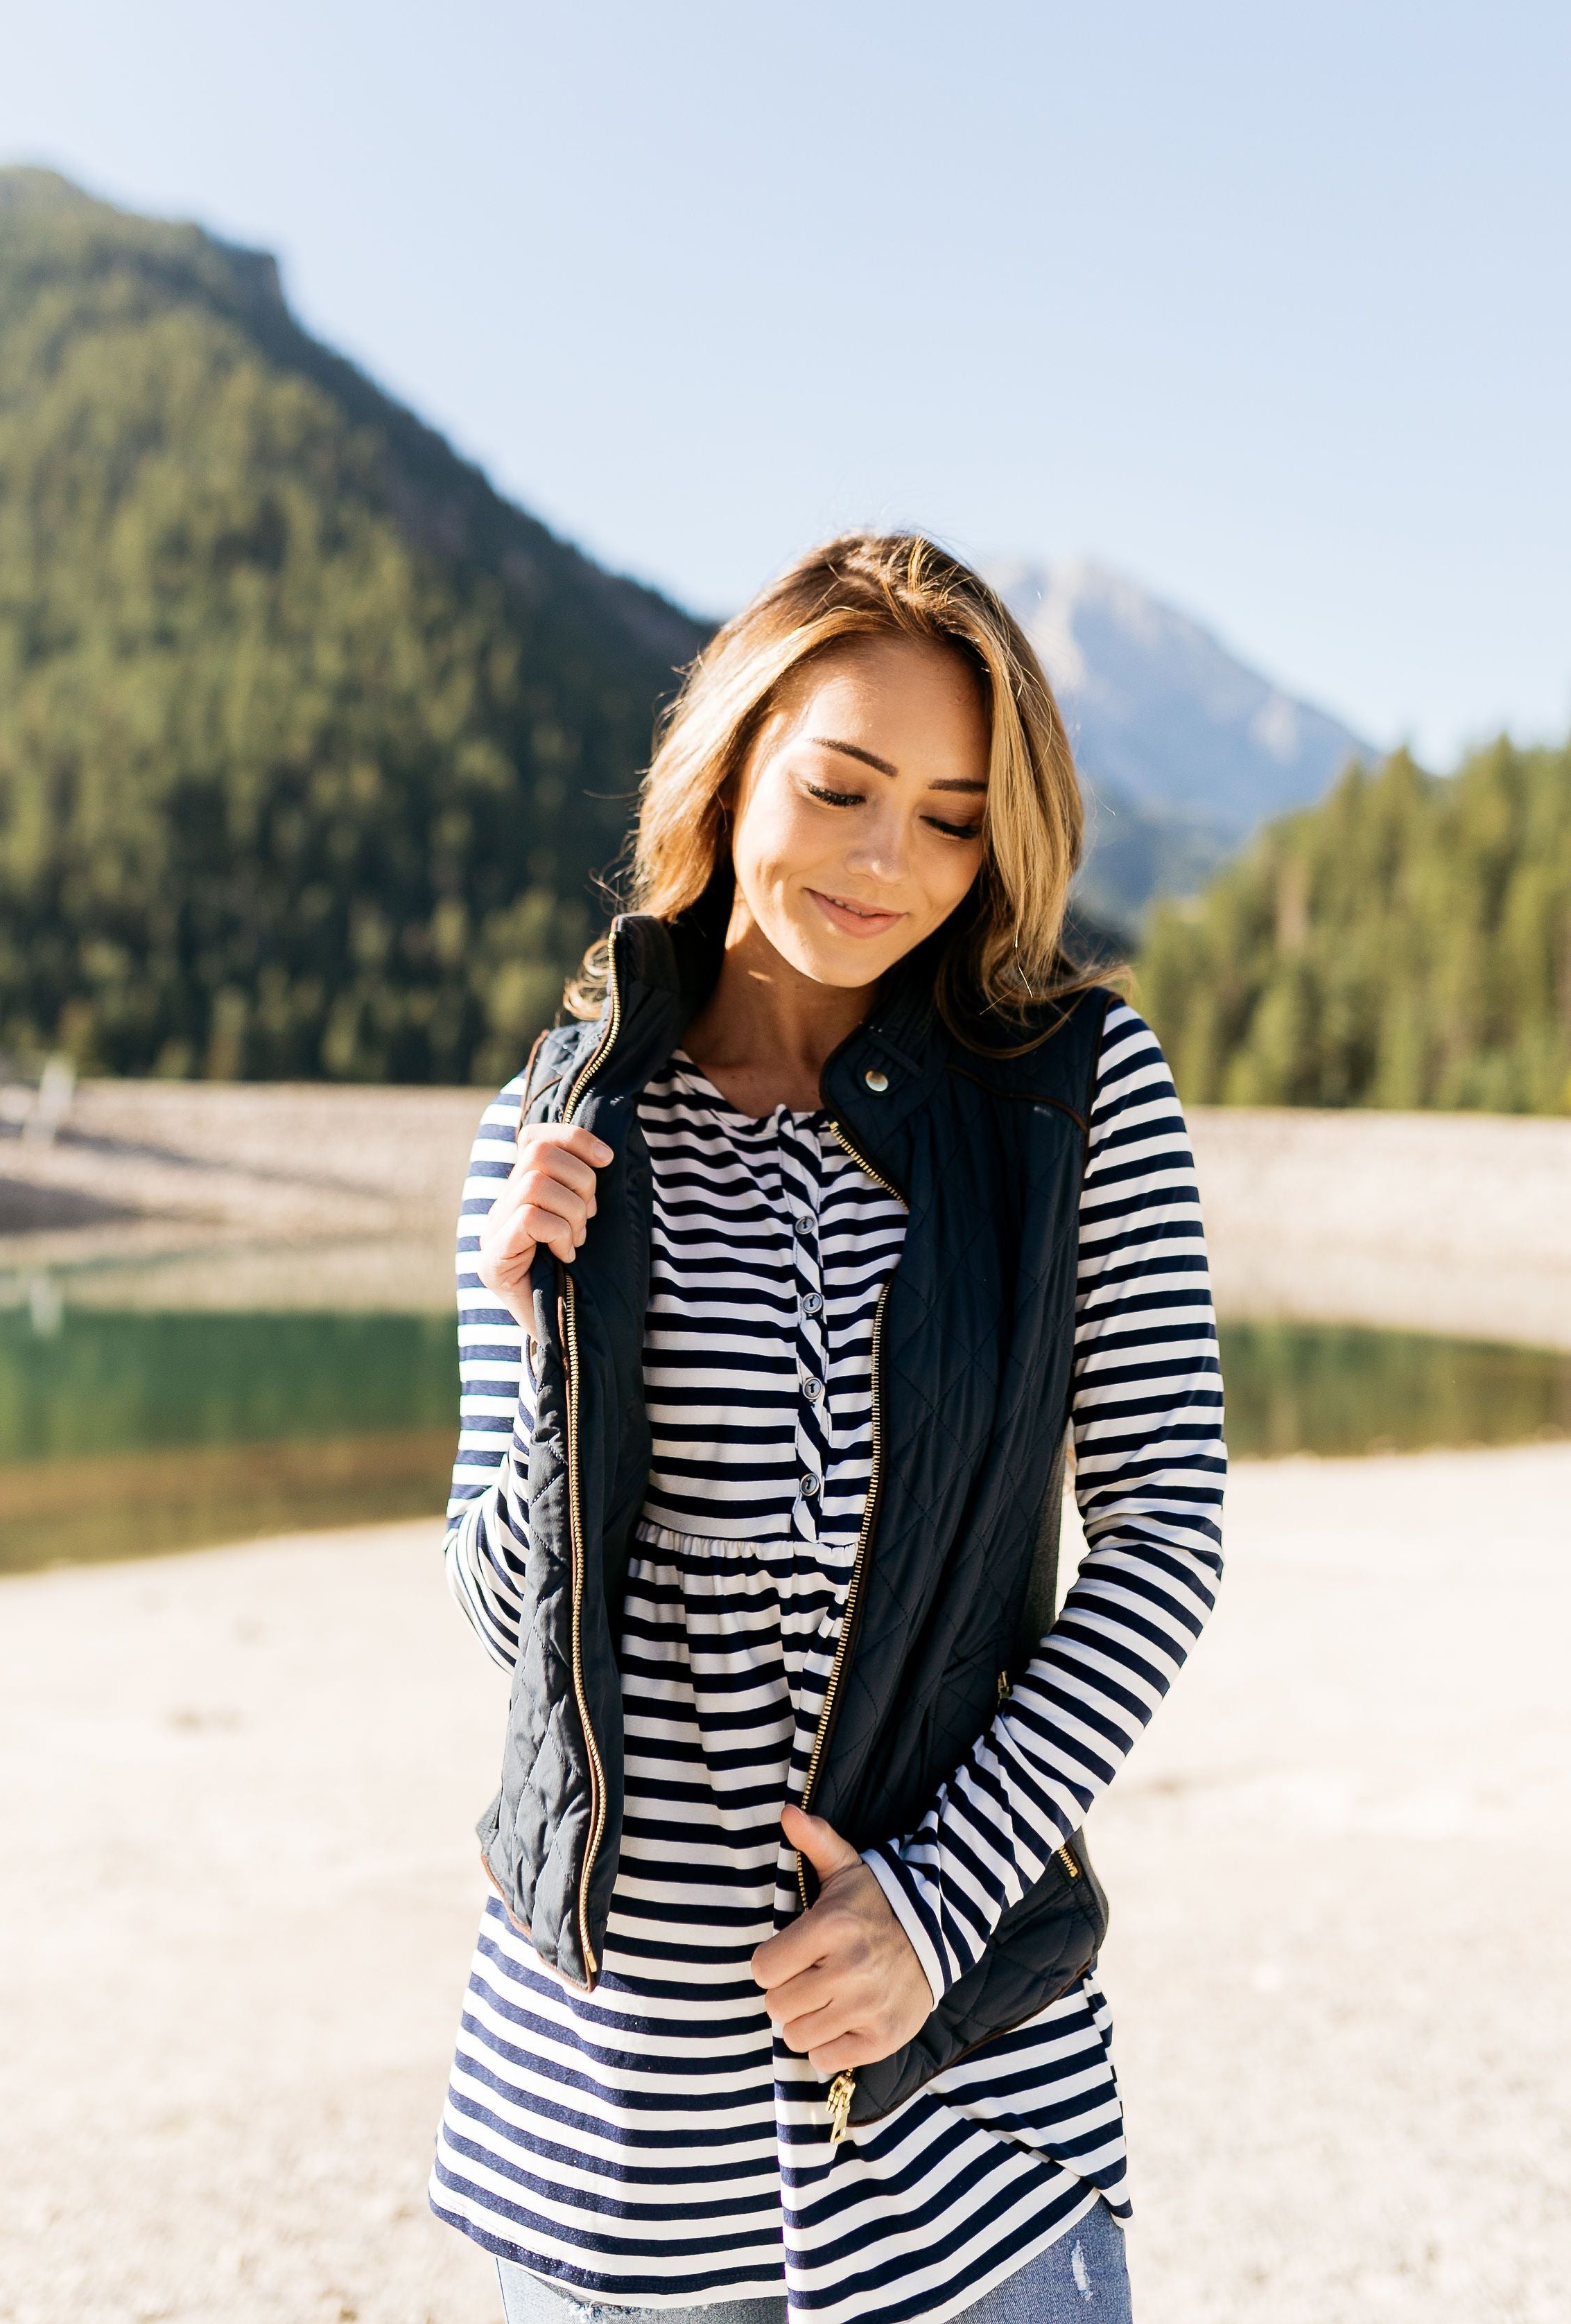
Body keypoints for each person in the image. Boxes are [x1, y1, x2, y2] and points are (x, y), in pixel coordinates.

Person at [428, 533, 1225, 2324]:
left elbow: (1167, 1534)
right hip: (612, 2106)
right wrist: (536, 1335)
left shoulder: (1076, 1102)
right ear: (731, 764)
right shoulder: (550, 1129)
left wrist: (934, 1906)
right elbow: (500, 1621)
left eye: (951, 818)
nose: (888, 862)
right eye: (842, 786)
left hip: (953, 2078)